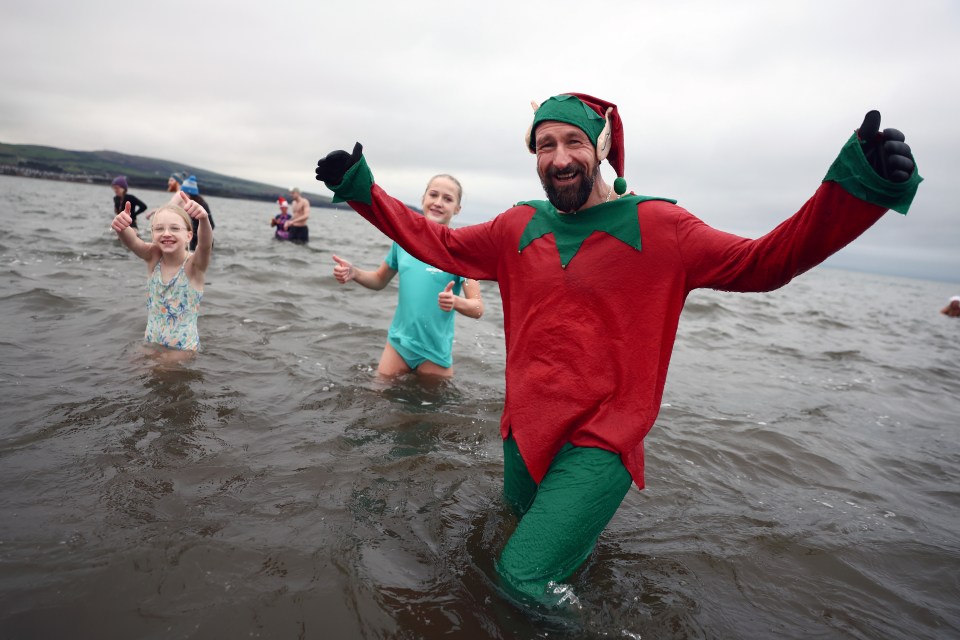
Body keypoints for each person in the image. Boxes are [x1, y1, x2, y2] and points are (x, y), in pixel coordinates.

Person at [313, 93, 921, 608]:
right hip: (525, 429)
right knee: (524, 535)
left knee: (521, 578)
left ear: (601, 148)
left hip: (603, 437)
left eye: (572, 142)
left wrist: (856, 193)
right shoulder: (517, 226)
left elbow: (764, 263)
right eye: (544, 145)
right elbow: (432, 240)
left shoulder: (662, 227)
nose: (558, 157)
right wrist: (362, 188)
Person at [331, 174, 484, 379]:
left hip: (435, 353)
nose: (438, 202)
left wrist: (455, 301)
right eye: (433, 195)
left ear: (457, 209)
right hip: (398, 344)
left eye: (447, 199)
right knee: (379, 398)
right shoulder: (403, 242)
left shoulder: (462, 252)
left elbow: (477, 308)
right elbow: (379, 280)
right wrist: (355, 272)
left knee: (431, 410)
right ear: (423, 199)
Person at [110, 190, 213, 355]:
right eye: (159, 229)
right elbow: (133, 242)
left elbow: (206, 246)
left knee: (159, 370)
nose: (166, 233)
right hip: (151, 341)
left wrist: (203, 219)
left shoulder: (194, 266)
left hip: (183, 350)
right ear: (152, 234)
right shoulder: (153, 257)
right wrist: (122, 228)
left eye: (174, 228)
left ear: (188, 235)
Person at [179, 174, 215, 251]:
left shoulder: (200, 205)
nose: (181, 196)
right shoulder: (192, 202)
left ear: (188, 193)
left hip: (200, 241)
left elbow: (211, 225)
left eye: (183, 193)